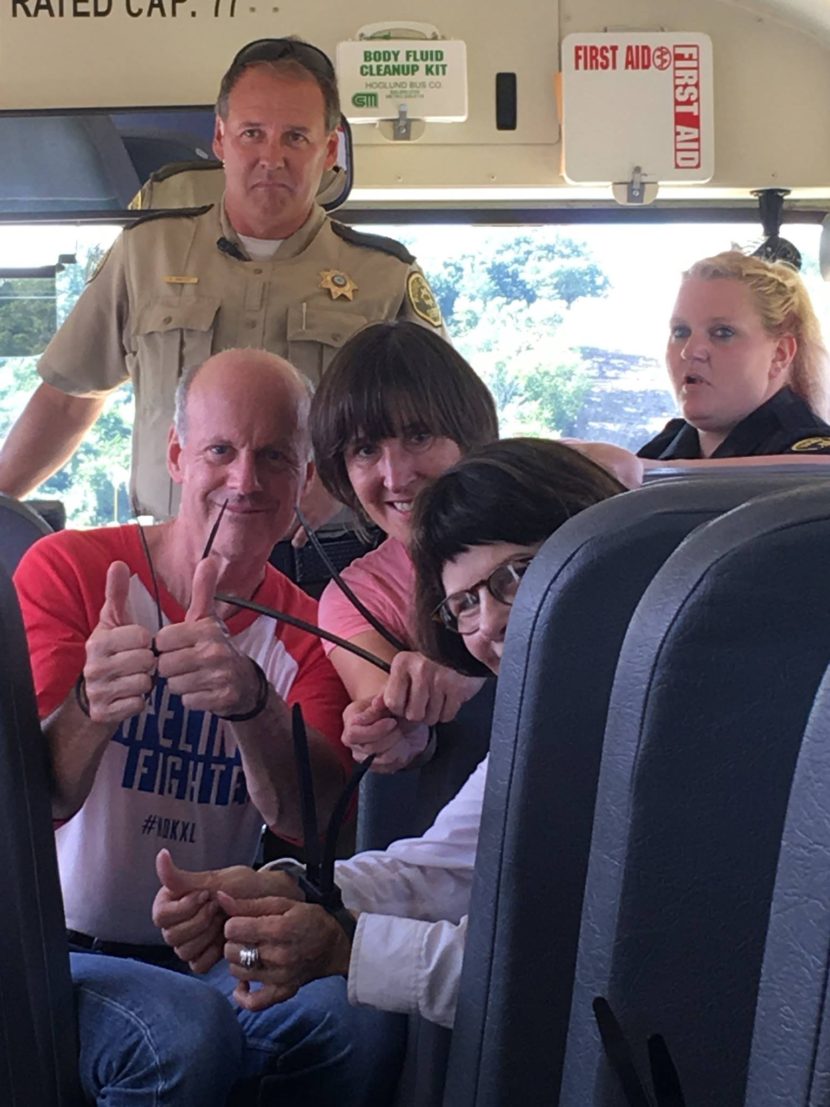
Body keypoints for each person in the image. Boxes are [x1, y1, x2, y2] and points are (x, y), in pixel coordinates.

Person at [16, 347, 404, 1105]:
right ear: (176, 456)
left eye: (273, 457)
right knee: (181, 1030)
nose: (245, 481)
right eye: (221, 451)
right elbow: (39, 797)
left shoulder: (313, 625)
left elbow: (309, 821)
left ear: (304, 478)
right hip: (56, 945)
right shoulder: (67, 570)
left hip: (213, 948)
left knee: (355, 1021)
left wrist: (252, 705)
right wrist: (96, 703)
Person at [153, 439, 623, 1032]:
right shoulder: (546, 734)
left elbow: (539, 972)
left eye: (518, 575)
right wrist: (285, 890)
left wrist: (342, 949)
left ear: (603, 555)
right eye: (466, 604)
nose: (493, 623)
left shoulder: (676, 728)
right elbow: (436, 870)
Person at [0, 38, 445, 525]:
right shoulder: (146, 253)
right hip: (171, 564)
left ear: (330, 148)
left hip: (325, 572)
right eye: (252, 132)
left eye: (295, 136)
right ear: (220, 138)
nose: (271, 157)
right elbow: (67, 401)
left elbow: (440, 432)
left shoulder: (383, 275)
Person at [310, 320, 500, 770]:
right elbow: (393, 718)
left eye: (418, 436)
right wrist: (389, 733)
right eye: (365, 450)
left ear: (468, 435)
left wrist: (466, 664)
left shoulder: (547, 524)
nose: (395, 477)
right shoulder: (354, 598)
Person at [640, 250, 830, 460]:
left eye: (722, 333)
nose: (690, 351)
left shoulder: (813, 467)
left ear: (779, 354)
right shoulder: (654, 455)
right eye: (680, 332)